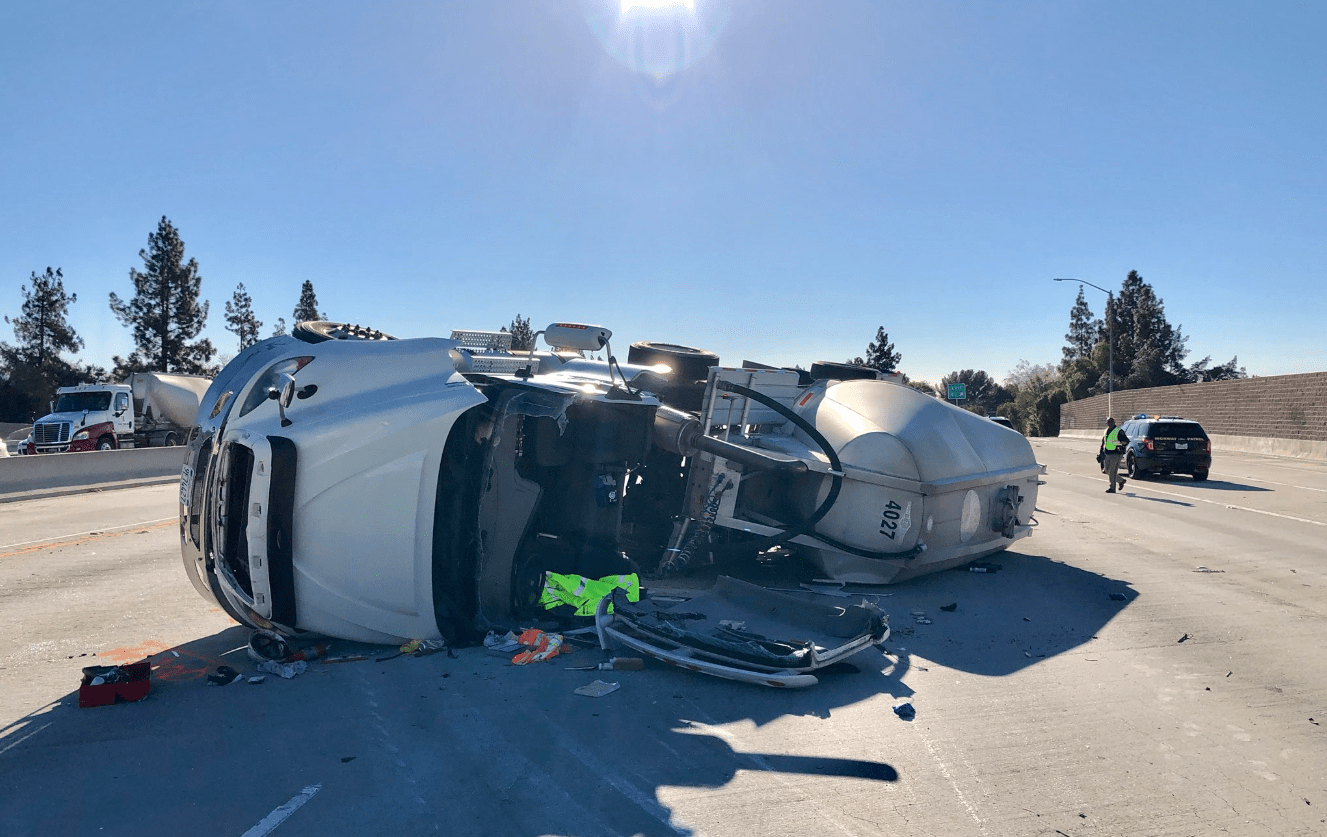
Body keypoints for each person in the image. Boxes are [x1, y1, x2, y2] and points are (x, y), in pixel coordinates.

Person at [1099, 417, 1129, 493]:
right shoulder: (1106, 431)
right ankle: (1121, 481)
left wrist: (1120, 445)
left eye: (1111, 423)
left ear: (1114, 423)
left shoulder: (1119, 431)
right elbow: (1104, 442)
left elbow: (1126, 441)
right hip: (1107, 453)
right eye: (1108, 423)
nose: (1109, 425)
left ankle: (1112, 488)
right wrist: (1101, 453)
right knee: (1106, 470)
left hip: (1116, 454)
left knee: (1112, 471)